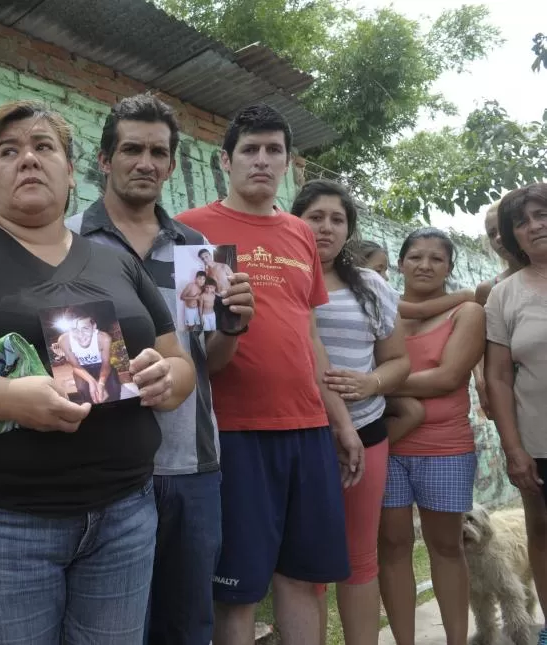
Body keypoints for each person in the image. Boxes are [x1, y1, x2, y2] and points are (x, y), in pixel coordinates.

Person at [0, 100, 196, 645]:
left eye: (44, 147)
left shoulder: (117, 262)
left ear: (72, 172)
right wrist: (8, 399)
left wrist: (166, 378)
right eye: (9, 151)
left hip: (124, 515)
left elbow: (180, 364)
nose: (28, 159)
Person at [66, 94, 253, 645]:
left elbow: (209, 363)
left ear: (172, 165)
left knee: (188, 624)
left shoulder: (199, 251)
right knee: (113, 628)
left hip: (191, 464)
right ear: (104, 160)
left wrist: (234, 327)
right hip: (101, 467)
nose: (145, 162)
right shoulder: (67, 240)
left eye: (158, 152)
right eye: (131, 149)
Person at [176, 103, 363, 645]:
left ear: (289, 162)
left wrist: (342, 422)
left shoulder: (301, 234)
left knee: (304, 580)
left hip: (306, 429)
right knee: (235, 592)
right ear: (225, 159)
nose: (262, 160)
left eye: (273, 150)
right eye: (250, 149)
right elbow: (195, 344)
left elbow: (308, 334)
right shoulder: (192, 228)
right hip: (234, 432)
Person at [291, 180, 411, 645]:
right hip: (297, 436)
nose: (325, 227)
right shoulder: (278, 279)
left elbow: (399, 359)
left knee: (360, 559)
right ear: (294, 219)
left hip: (364, 433)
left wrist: (371, 382)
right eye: (315, 216)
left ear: (348, 230)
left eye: (336, 219)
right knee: (307, 564)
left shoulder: (370, 284)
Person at [378, 228, 485, 645]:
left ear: (449, 268)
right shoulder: (383, 310)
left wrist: (377, 383)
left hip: (445, 447)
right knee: (391, 545)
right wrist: (379, 384)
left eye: (437, 259)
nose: (425, 265)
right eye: (416, 257)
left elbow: (448, 377)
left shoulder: (467, 314)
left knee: (446, 546)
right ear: (400, 263)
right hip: (387, 443)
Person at [484, 182, 547, 645]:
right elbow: (499, 378)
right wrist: (513, 449)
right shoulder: (504, 295)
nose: (534, 226)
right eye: (522, 221)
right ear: (513, 237)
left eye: (542, 214)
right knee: (543, 535)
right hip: (538, 441)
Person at [473, 199, 521, 418]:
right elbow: (478, 344)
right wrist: (481, 381)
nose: (499, 238)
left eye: (504, 228)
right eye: (492, 234)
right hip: (512, 392)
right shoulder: (488, 289)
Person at [57, 308, 121, 404]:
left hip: (101, 366)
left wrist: (101, 383)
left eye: (85, 328)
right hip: (81, 368)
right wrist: (92, 382)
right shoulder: (64, 340)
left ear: (93, 326)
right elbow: (75, 366)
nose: (80, 335)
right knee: (84, 391)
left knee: (114, 388)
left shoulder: (104, 338)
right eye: (74, 330)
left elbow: (106, 364)